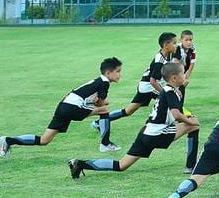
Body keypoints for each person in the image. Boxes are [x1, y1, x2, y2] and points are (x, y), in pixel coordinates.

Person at [69, 62, 200, 179]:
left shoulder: (167, 90)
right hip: (158, 133)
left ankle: (79, 164)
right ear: (174, 78)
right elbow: (177, 115)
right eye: (182, 73)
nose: (185, 75)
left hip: (146, 133)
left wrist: (183, 95)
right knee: (194, 125)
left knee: (121, 165)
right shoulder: (171, 93)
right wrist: (191, 122)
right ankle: (190, 167)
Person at [0, 58, 123, 158]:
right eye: (117, 71)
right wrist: (102, 102)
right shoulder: (104, 82)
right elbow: (101, 104)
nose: (120, 74)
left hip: (64, 105)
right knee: (104, 111)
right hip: (72, 107)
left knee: (44, 140)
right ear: (108, 73)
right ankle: (105, 144)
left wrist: (98, 102)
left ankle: (7, 141)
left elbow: (93, 100)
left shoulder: (97, 81)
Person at [93, 32, 179, 150]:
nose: (176, 45)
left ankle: (99, 122)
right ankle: (182, 120)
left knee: (128, 111)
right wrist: (165, 92)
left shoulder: (167, 54)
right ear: (166, 45)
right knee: (170, 100)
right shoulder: (159, 60)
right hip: (148, 87)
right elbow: (153, 81)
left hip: (146, 86)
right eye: (174, 43)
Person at [175, 29, 199, 173]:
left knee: (180, 100)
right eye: (186, 40)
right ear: (181, 40)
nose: (189, 42)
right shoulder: (177, 49)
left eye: (191, 40)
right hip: (174, 76)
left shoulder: (193, 49)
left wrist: (186, 77)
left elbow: (191, 65)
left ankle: (179, 116)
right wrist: (180, 79)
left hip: (181, 76)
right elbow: (176, 64)